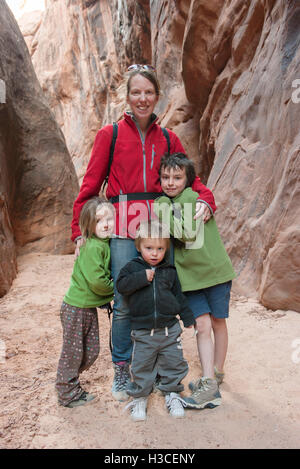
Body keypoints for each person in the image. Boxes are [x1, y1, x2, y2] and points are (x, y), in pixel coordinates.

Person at [70, 64, 217, 401]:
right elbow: (91, 186)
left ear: (157, 97)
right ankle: (123, 371)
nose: (142, 98)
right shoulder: (110, 135)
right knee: (123, 302)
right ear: (127, 96)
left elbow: (190, 181)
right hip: (122, 226)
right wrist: (79, 232)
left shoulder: (168, 138)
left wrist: (207, 201)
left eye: (148, 92)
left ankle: (163, 369)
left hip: (159, 227)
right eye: (136, 92)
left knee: (162, 294)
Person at [154, 153, 236, 409]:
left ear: (188, 180)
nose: (170, 182)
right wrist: (162, 207)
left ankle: (216, 373)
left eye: (177, 177)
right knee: (202, 327)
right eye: (165, 177)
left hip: (215, 273)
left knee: (218, 322)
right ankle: (210, 384)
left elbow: (184, 233)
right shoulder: (165, 203)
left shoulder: (196, 199)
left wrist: (203, 202)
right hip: (189, 279)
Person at [116, 220, 194, 421]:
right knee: (141, 366)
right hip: (143, 333)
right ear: (138, 246)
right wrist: (142, 277)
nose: (154, 253)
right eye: (149, 248)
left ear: (166, 249)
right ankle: (140, 397)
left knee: (174, 363)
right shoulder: (132, 268)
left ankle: (172, 393)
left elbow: (179, 296)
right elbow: (122, 285)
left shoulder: (169, 270)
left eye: (160, 248)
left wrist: (187, 318)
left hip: (169, 330)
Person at [56, 197, 115, 407]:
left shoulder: (105, 243)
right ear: (89, 225)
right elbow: (97, 281)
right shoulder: (92, 247)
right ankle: (66, 391)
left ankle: (69, 380)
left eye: (109, 218)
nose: (106, 224)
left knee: (91, 351)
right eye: (99, 221)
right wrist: (114, 289)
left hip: (86, 307)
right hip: (76, 307)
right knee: (73, 353)